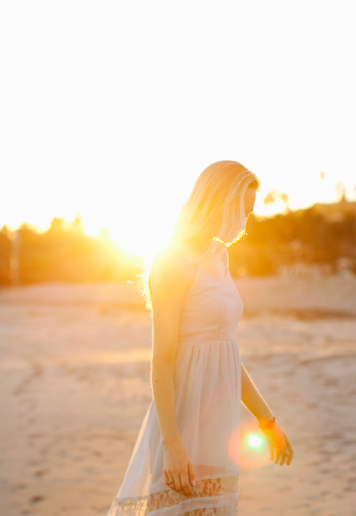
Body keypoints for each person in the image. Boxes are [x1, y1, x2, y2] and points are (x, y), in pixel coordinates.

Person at [106, 160, 293, 516]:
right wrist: (173, 444)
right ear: (222, 202)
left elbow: (225, 353)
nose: (244, 224)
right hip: (181, 420)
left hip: (218, 424)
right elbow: (163, 358)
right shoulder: (174, 260)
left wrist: (267, 420)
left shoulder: (219, 257)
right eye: (244, 212)